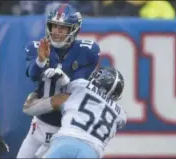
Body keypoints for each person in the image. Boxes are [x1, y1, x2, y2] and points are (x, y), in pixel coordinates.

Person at [17, 3, 100, 158]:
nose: (57, 31)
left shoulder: (87, 51)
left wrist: (63, 79)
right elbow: (32, 74)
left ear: (73, 29)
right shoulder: (36, 47)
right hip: (39, 124)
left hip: (64, 129)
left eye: (62, 27)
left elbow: (77, 88)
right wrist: (40, 61)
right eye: (54, 26)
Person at [23, 67, 127, 158]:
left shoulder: (81, 85)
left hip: (66, 139)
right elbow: (120, 121)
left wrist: (61, 76)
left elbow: (64, 86)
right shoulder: (120, 112)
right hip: (92, 151)